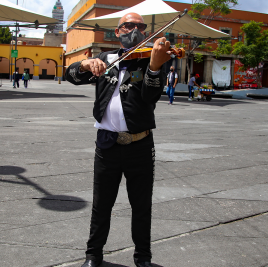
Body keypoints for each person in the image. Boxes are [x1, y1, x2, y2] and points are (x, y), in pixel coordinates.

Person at [65, 12, 169, 267]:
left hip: (140, 144)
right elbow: (70, 75)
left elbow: (150, 97)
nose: (135, 29)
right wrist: (85, 65)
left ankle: (143, 257)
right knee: (102, 204)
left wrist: (155, 66)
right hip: (107, 144)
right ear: (118, 30)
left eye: (140, 26)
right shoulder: (104, 58)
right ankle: (93, 254)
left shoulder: (150, 59)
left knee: (141, 205)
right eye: (129, 25)